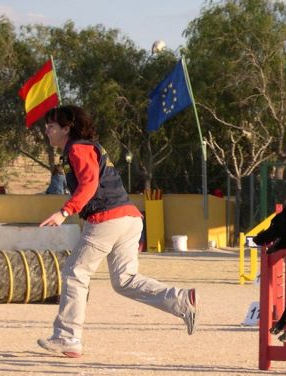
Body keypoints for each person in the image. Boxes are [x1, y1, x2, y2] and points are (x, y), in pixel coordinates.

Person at [36, 105, 198, 358]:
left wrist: (65, 211)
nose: (47, 131)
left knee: (75, 273)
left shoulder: (78, 148)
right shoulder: (88, 147)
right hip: (129, 218)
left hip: (107, 220)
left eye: (52, 126)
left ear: (67, 129)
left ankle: (67, 337)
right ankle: (179, 300)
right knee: (125, 280)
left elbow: (89, 184)